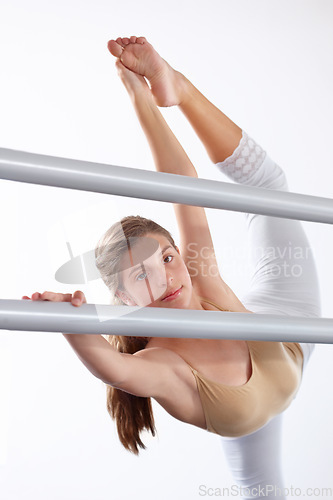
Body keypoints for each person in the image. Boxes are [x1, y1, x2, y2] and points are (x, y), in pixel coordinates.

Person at [22, 36, 321, 499]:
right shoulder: (163, 363)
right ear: (122, 299)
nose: (164, 277)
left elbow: (185, 186)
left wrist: (144, 94)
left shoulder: (200, 281)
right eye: (140, 275)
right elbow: (113, 368)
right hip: (253, 415)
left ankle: (180, 86)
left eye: (166, 258)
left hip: (289, 326)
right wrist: (68, 320)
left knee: (268, 187)